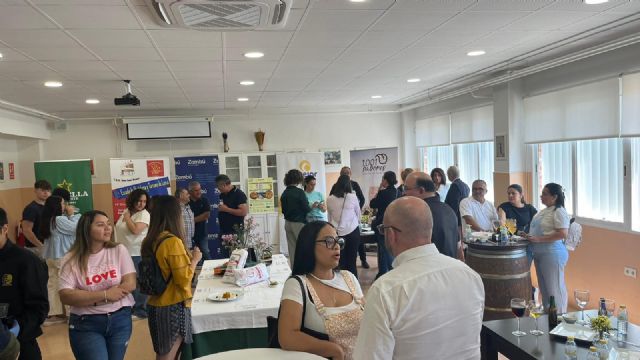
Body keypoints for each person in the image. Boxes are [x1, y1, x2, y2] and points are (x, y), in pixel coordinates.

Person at [353, 197, 485, 360]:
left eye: (383, 229)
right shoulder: (470, 275)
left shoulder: (386, 290)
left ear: (391, 234)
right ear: (429, 229)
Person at [279, 221, 364, 360]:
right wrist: (332, 349)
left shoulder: (349, 278)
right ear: (309, 245)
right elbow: (287, 336)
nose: (337, 246)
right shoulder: (298, 284)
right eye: (329, 241)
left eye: (338, 241)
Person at [59, 210, 136, 360]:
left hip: (120, 319)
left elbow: (130, 283)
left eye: (108, 224)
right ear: (86, 229)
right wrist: (105, 295)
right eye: (100, 225)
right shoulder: (71, 259)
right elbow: (66, 295)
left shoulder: (118, 250)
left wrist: (85, 296)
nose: (107, 228)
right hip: (86, 323)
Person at [142, 195, 202, 360]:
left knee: (163, 351)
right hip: (172, 304)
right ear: (174, 215)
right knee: (168, 353)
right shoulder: (172, 242)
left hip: (155, 303)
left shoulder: (150, 240)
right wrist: (195, 259)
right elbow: (183, 280)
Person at [0, 208, 49, 360]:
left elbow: (39, 308)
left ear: (4, 229)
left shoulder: (26, 261)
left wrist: (14, 330)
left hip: (19, 344)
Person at [524, 183, 570, 313]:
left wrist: (539, 239)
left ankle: (559, 317)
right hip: (539, 253)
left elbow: (562, 233)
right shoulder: (544, 211)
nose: (541, 196)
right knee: (544, 289)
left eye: (545, 194)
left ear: (554, 197)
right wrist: (529, 236)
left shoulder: (559, 211)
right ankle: (548, 316)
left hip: (552, 253)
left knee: (554, 288)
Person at [39, 195, 80, 324]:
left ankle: (53, 315)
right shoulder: (59, 219)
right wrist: (72, 215)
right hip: (62, 257)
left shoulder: (48, 219)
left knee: (53, 285)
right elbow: (76, 228)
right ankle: (70, 314)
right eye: (62, 203)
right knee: (68, 284)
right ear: (57, 206)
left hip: (51, 257)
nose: (65, 206)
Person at [403, 172, 462, 260]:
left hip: (426, 268)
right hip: (449, 267)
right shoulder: (448, 210)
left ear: (421, 190)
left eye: (406, 189)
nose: (403, 193)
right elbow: (458, 248)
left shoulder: (416, 213)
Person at [114, 188, 150, 320]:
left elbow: (135, 230)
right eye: (139, 201)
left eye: (144, 201)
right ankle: (131, 307)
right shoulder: (126, 212)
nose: (141, 204)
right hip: (123, 252)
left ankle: (141, 311)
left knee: (139, 282)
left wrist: (127, 218)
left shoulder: (144, 214)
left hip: (137, 252)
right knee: (128, 282)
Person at [327, 175, 362, 277]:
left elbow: (329, 217)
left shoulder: (329, 199)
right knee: (352, 261)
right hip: (352, 231)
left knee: (339, 261)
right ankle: (354, 286)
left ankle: (340, 285)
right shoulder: (352, 196)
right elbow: (358, 214)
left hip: (336, 233)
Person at [336, 167, 368, 270]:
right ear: (340, 174)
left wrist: (356, 210)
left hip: (353, 219)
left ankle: (363, 259)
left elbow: (362, 198)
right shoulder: (336, 186)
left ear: (350, 174)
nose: (346, 174)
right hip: (340, 221)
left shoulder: (355, 184)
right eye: (344, 173)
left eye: (347, 173)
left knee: (358, 242)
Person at [369, 171, 398, 278]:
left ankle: (389, 273)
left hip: (382, 225)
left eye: (383, 179)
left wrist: (379, 189)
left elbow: (372, 204)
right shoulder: (398, 192)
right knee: (385, 249)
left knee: (384, 250)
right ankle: (382, 272)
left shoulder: (383, 193)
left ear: (386, 180)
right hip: (394, 225)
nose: (382, 181)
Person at [280, 169, 311, 267]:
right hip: (299, 223)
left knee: (292, 248)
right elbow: (306, 208)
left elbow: (283, 211)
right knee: (304, 247)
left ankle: (295, 271)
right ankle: (305, 269)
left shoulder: (284, 193)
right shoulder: (300, 192)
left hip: (287, 223)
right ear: (298, 179)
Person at [21, 180, 52, 255]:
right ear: (35, 190)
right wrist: (40, 246)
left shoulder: (50, 207)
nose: (45, 193)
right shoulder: (31, 208)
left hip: (48, 246)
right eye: (42, 190)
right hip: (35, 248)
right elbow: (26, 230)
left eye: (48, 190)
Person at [215, 174, 248, 239]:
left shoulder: (239, 194)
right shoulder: (222, 194)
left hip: (235, 232)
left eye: (218, 186)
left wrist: (226, 209)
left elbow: (244, 212)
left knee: (236, 249)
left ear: (224, 185)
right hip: (224, 230)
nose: (218, 189)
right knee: (224, 249)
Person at [188, 181, 211, 262]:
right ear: (190, 191)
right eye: (196, 190)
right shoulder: (186, 202)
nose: (199, 192)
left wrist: (190, 221)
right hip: (188, 234)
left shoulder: (204, 200)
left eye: (200, 189)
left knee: (205, 252)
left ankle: (211, 269)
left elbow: (206, 215)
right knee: (189, 254)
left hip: (201, 232)